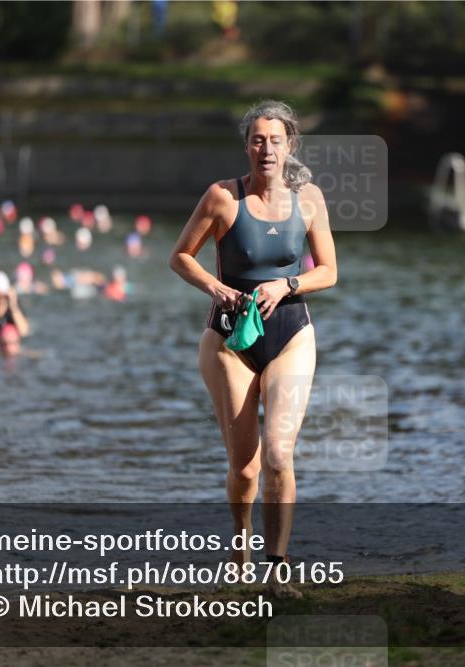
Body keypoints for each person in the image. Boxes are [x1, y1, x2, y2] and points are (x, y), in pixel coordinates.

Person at [169, 100, 337, 598]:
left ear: (290, 146)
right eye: (258, 140)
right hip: (228, 339)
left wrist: (286, 284)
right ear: (247, 145)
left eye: (276, 140)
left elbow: (328, 271)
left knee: (280, 455)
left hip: (291, 332)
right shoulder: (222, 197)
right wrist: (216, 289)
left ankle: (278, 567)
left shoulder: (309, 199)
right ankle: (239, 557)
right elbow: (180, 256)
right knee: (245, 464)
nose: (266, 148)